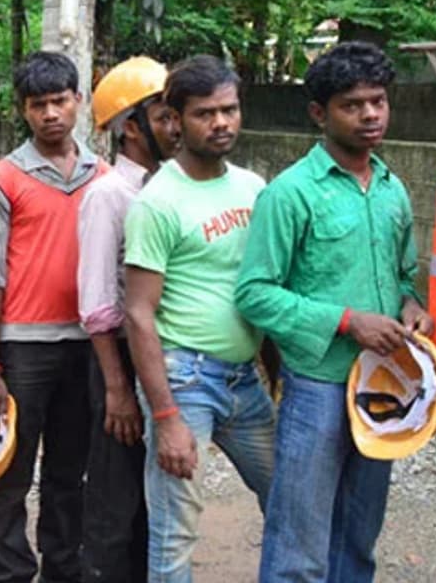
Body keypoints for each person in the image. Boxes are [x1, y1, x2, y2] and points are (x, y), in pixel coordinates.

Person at [235, 41, 431, 582]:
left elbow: (400, 277)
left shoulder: (391, 190)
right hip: (316, 387)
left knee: (359, 536)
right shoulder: (290, 194)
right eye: (353, 104)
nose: (370, 114)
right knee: (299, 542)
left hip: (385, 384)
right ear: (319, 114)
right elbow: (254, 293)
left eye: (378, 101)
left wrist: (411, 306)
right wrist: (348, 321)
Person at [123, 55, 274, 583]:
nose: (221, 123)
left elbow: (267, 287)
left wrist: (273, 375)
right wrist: (165, 418)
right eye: (206, 113)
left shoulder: (254, 188)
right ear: (176, 119)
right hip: (184, 379)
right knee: (174, 531)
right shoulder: (158, 202)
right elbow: (138, 312)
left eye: (229, 110)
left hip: (243, 378)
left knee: (285, 497)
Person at [0, 52, 109, 583]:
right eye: (38, 105)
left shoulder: (103, 176)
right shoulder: (3, 178)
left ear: (79, 101)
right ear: (24, 111)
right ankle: (7, 572)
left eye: (60, 100)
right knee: (8, 469)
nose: (51, 113)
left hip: (86, 342)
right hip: (23, 347)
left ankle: (63, 568)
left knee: (69, 471)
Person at [76, 57, 180, 583]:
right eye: (164, 116)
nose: (177, 125)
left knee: (154, 496)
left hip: (161, 358)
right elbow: (96, 305)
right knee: (115, 498)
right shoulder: (107, 196)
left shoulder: (167, 190)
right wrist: (117, 388)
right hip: (119, 357)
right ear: (131, 128)